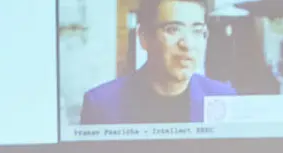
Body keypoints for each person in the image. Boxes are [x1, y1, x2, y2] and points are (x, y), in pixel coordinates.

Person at [81, 0, 236, 126]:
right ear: (144, 37)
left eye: (197, 31)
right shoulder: (102, 105)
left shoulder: (224, 98)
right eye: (173, 29)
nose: (187, 44)